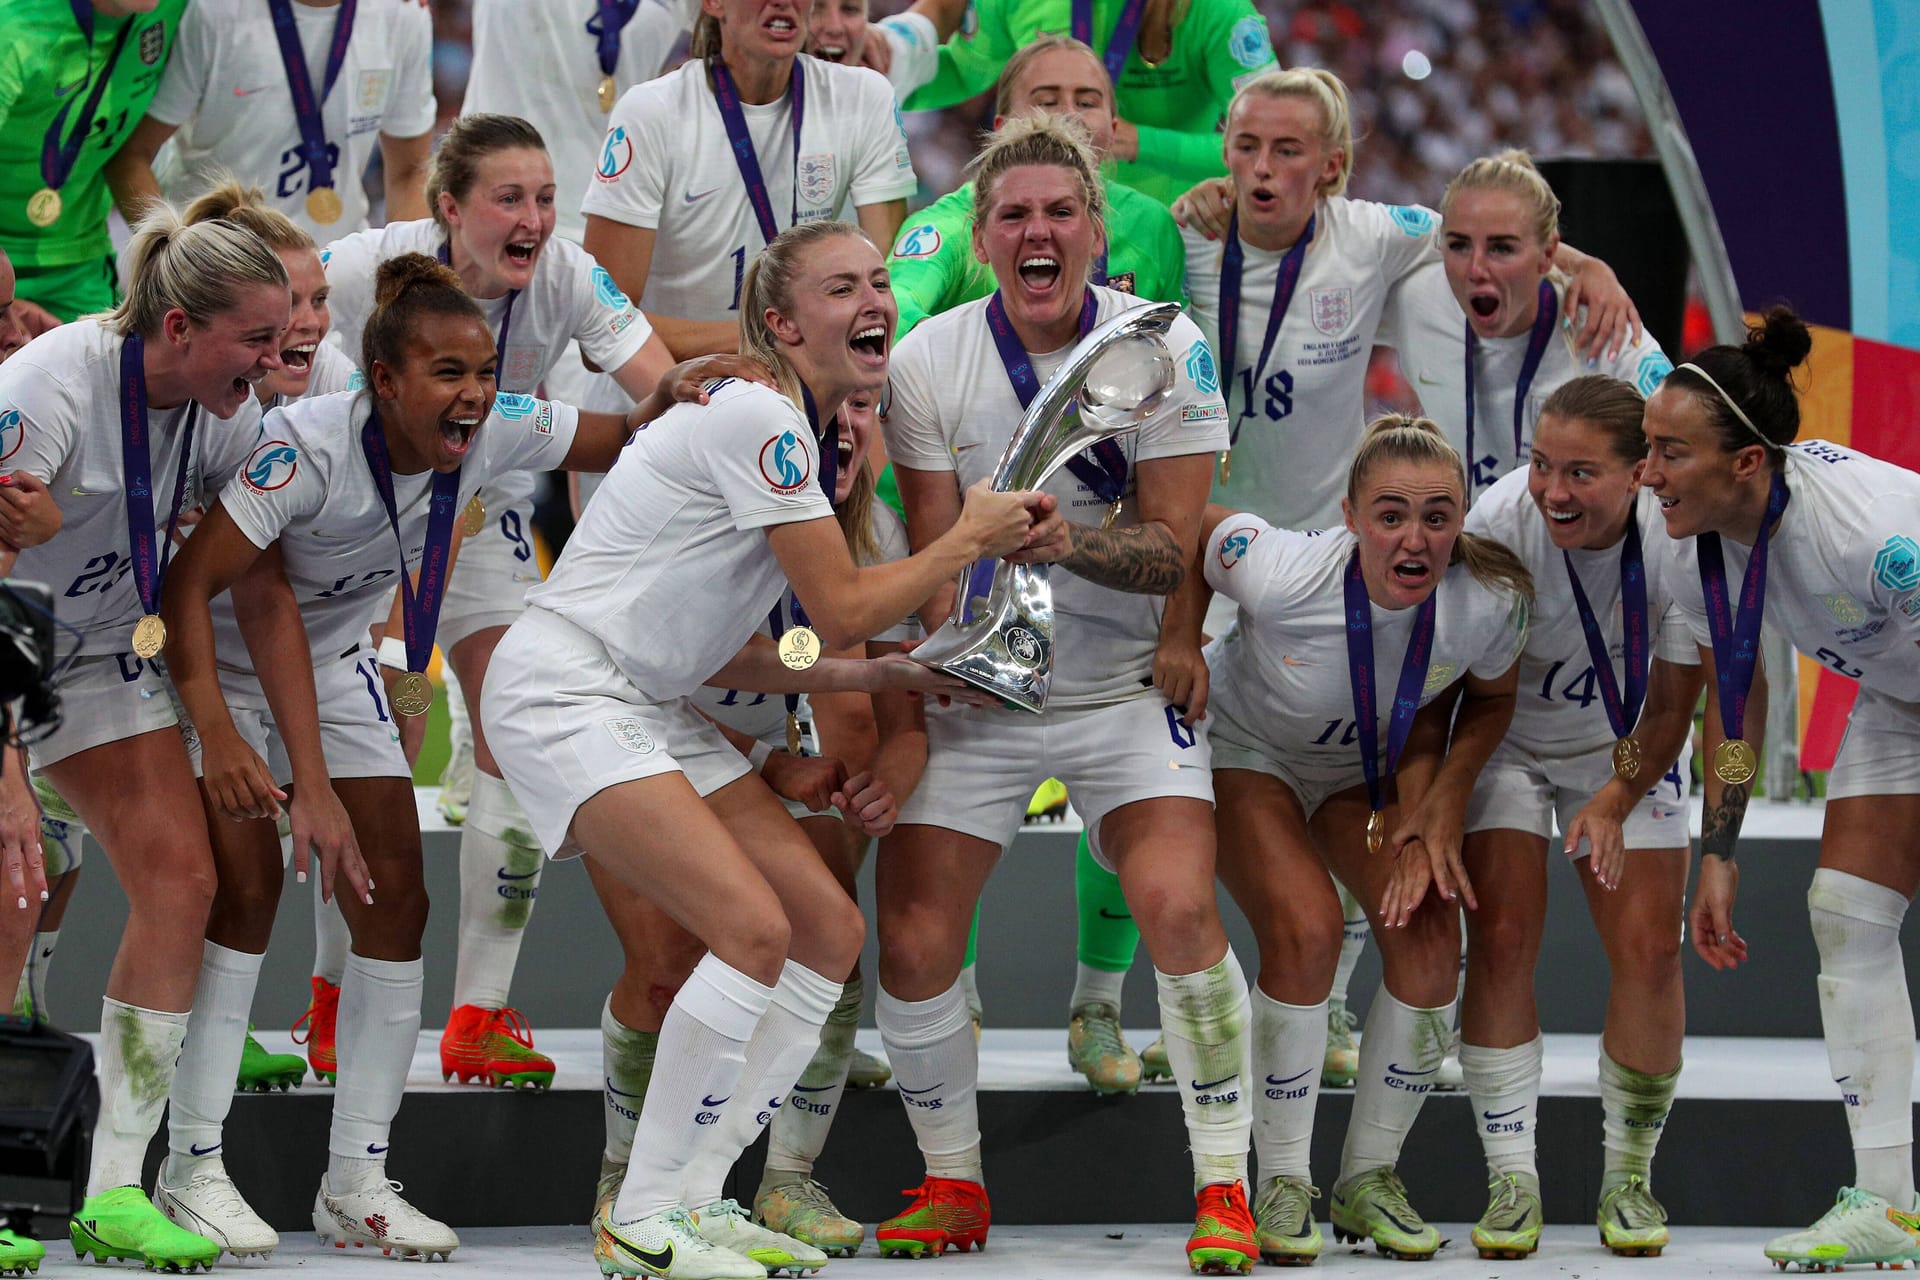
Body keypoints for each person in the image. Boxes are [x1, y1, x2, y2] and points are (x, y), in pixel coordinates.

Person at [482, 218, 1041, 1280]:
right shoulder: (757, 416)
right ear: (781, 323)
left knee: (825, 929)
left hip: (650, 690)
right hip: (567, 683)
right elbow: (835, 602)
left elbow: (756, 643)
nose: (873, 298)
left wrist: (874, 676)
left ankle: (696, 1195)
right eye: (841, 287)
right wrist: (965, 539)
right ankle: (642, 1212)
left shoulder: (795, 434)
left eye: (880, 281)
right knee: (748, 928)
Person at [156, 251, 728, 1261]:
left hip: (333, 664)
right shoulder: (299, 446)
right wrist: (264, 757)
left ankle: (356, 1180)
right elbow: (198, 584)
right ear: (384, 380)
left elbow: (619, 430)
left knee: (398, 897)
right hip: (217, 662)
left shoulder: (500, 421)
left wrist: (677, 388)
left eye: (483, 372)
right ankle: (192, 1164)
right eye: (448, 374)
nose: (474, 394)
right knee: (244, 886)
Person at [876, 113, 1253, 1272]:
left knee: (1183, 911)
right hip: (984, 694)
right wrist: (963, 652)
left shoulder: (1165, 344)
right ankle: (952, 1180)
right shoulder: (929, 358)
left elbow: (1175, 546)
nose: (1038, 230)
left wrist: (1063, 547)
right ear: (983, 236)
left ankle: (1226, 1184)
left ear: (1097, 228)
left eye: (1060, 211)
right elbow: (936, 561)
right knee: (913, 932)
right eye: (1014, 214)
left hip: (1122, 688)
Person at [312, 113, 679, 1093]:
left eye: (546, 197)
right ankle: (329, 1006)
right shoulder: (359, 267)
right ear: (448, 210)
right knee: (369, 752)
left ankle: (476, 1011)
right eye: (509, 199)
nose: (534, 218)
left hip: (480, 518)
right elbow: (269, 318)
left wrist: (720, 395)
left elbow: (656, 392)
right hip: (351, 520)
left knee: (518, 722)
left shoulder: (564, 274)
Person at [1164, 415, 1530, 1264]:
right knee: (1307, 929)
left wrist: (1441, 801)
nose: (1415, 538)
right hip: (1255, 756)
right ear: (1350, 517)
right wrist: (1182, 635)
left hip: (1365, 775)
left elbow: (1492, 702)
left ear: (1462, 520)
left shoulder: (1491, 600)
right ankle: (1283, 1180)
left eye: (1438, 516)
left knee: (1433, 937)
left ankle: (1368, 1178)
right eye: (1391, 514)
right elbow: (1198, 526)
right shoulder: (1286, 569)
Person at [0, 203, 290, 1272]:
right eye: (255, 339)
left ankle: (114, 1188)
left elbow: (242, 577)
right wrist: (7, 778)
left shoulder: (229, 412)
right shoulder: (49, 387)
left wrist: (217, 726)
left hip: (94, 653)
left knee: (182, 877)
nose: (274, 361)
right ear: (177, 328)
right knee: (11, 883)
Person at [586, 390, 930, 1261]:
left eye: (866, 407)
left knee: (826, 933)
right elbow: (672, 664)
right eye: (831, 407)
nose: (847, 425)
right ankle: (629, 1179)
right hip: (638, 740)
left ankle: (762, 1180)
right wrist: (778, 755)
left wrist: (879, 781)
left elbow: (880, 697)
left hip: (735, 759)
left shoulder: (877, 544)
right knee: (665, 966)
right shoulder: (715, 514)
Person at [1638, 307, 1920, 1272]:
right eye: (1647, 447)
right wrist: (1719, 851)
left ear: (1748, 464)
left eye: (1671, 453)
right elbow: (1738, 692)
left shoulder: (1874, 536)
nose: (1649, 473)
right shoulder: (1685, 535)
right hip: (1900, 689)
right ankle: (1888, 1204)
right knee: (1846, 912)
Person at [1455, 374, 1708, 1258]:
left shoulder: (1678, 539)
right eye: (1540, 465)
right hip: (1506, 741)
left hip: (1628, 749)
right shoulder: (1495, 525)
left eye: (1580, 473)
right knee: (1503, 938)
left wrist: (1613, 797)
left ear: (1639, 474)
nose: (1553, 492)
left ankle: (1630, 1179)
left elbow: (1673, 711)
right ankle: (1511, 1180)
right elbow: (1457, 683)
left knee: (1648, 949)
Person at [581, 0, 919, 360]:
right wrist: (776, 335)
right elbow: (601, 325)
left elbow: (885, 285)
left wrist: (798, 336)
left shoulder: (864, 98)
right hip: (658, 391)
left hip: (797, 385)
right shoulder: (652, 113)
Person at [1381, 149, 1673, 498]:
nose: (1475, 270)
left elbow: (1686, 449)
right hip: (1465, 545)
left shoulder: (1602, 330)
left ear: (1548, 254)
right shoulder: (1417, 300)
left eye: (1501, 249)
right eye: (1459, 245)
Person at [886, 35, 1187, 341]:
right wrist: (953, 360)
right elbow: (895, 305)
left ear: (1112, 131)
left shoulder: (1152, 224)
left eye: (1086, 102)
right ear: (1002, 128)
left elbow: (1176, 347)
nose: (1069, 115)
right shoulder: (951, 224)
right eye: (1046, 101)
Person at [104, 0, 435, 239]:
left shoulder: (403, 15)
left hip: (336, 270)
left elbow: (411, 173)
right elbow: (128, 155)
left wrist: (404, 275)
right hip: (216, 273)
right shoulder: (208, 11)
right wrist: (178, 258)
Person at [902, 0, 1278, 207]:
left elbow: (1275, 147)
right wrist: (881, 67)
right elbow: (963, 72)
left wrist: (1139, 142)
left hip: (1176, 234)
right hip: (1047, 220)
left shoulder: (1219, 12)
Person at [0, 0, 189, 326]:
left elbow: (128, 156)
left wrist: (182, 263)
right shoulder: (13, 25)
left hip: (80, 261)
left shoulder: (174, 8)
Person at [806, 0, 968, 102]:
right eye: (814, 9)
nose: (836, 28)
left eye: (850, 9)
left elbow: (943, 9)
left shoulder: (882, 58)